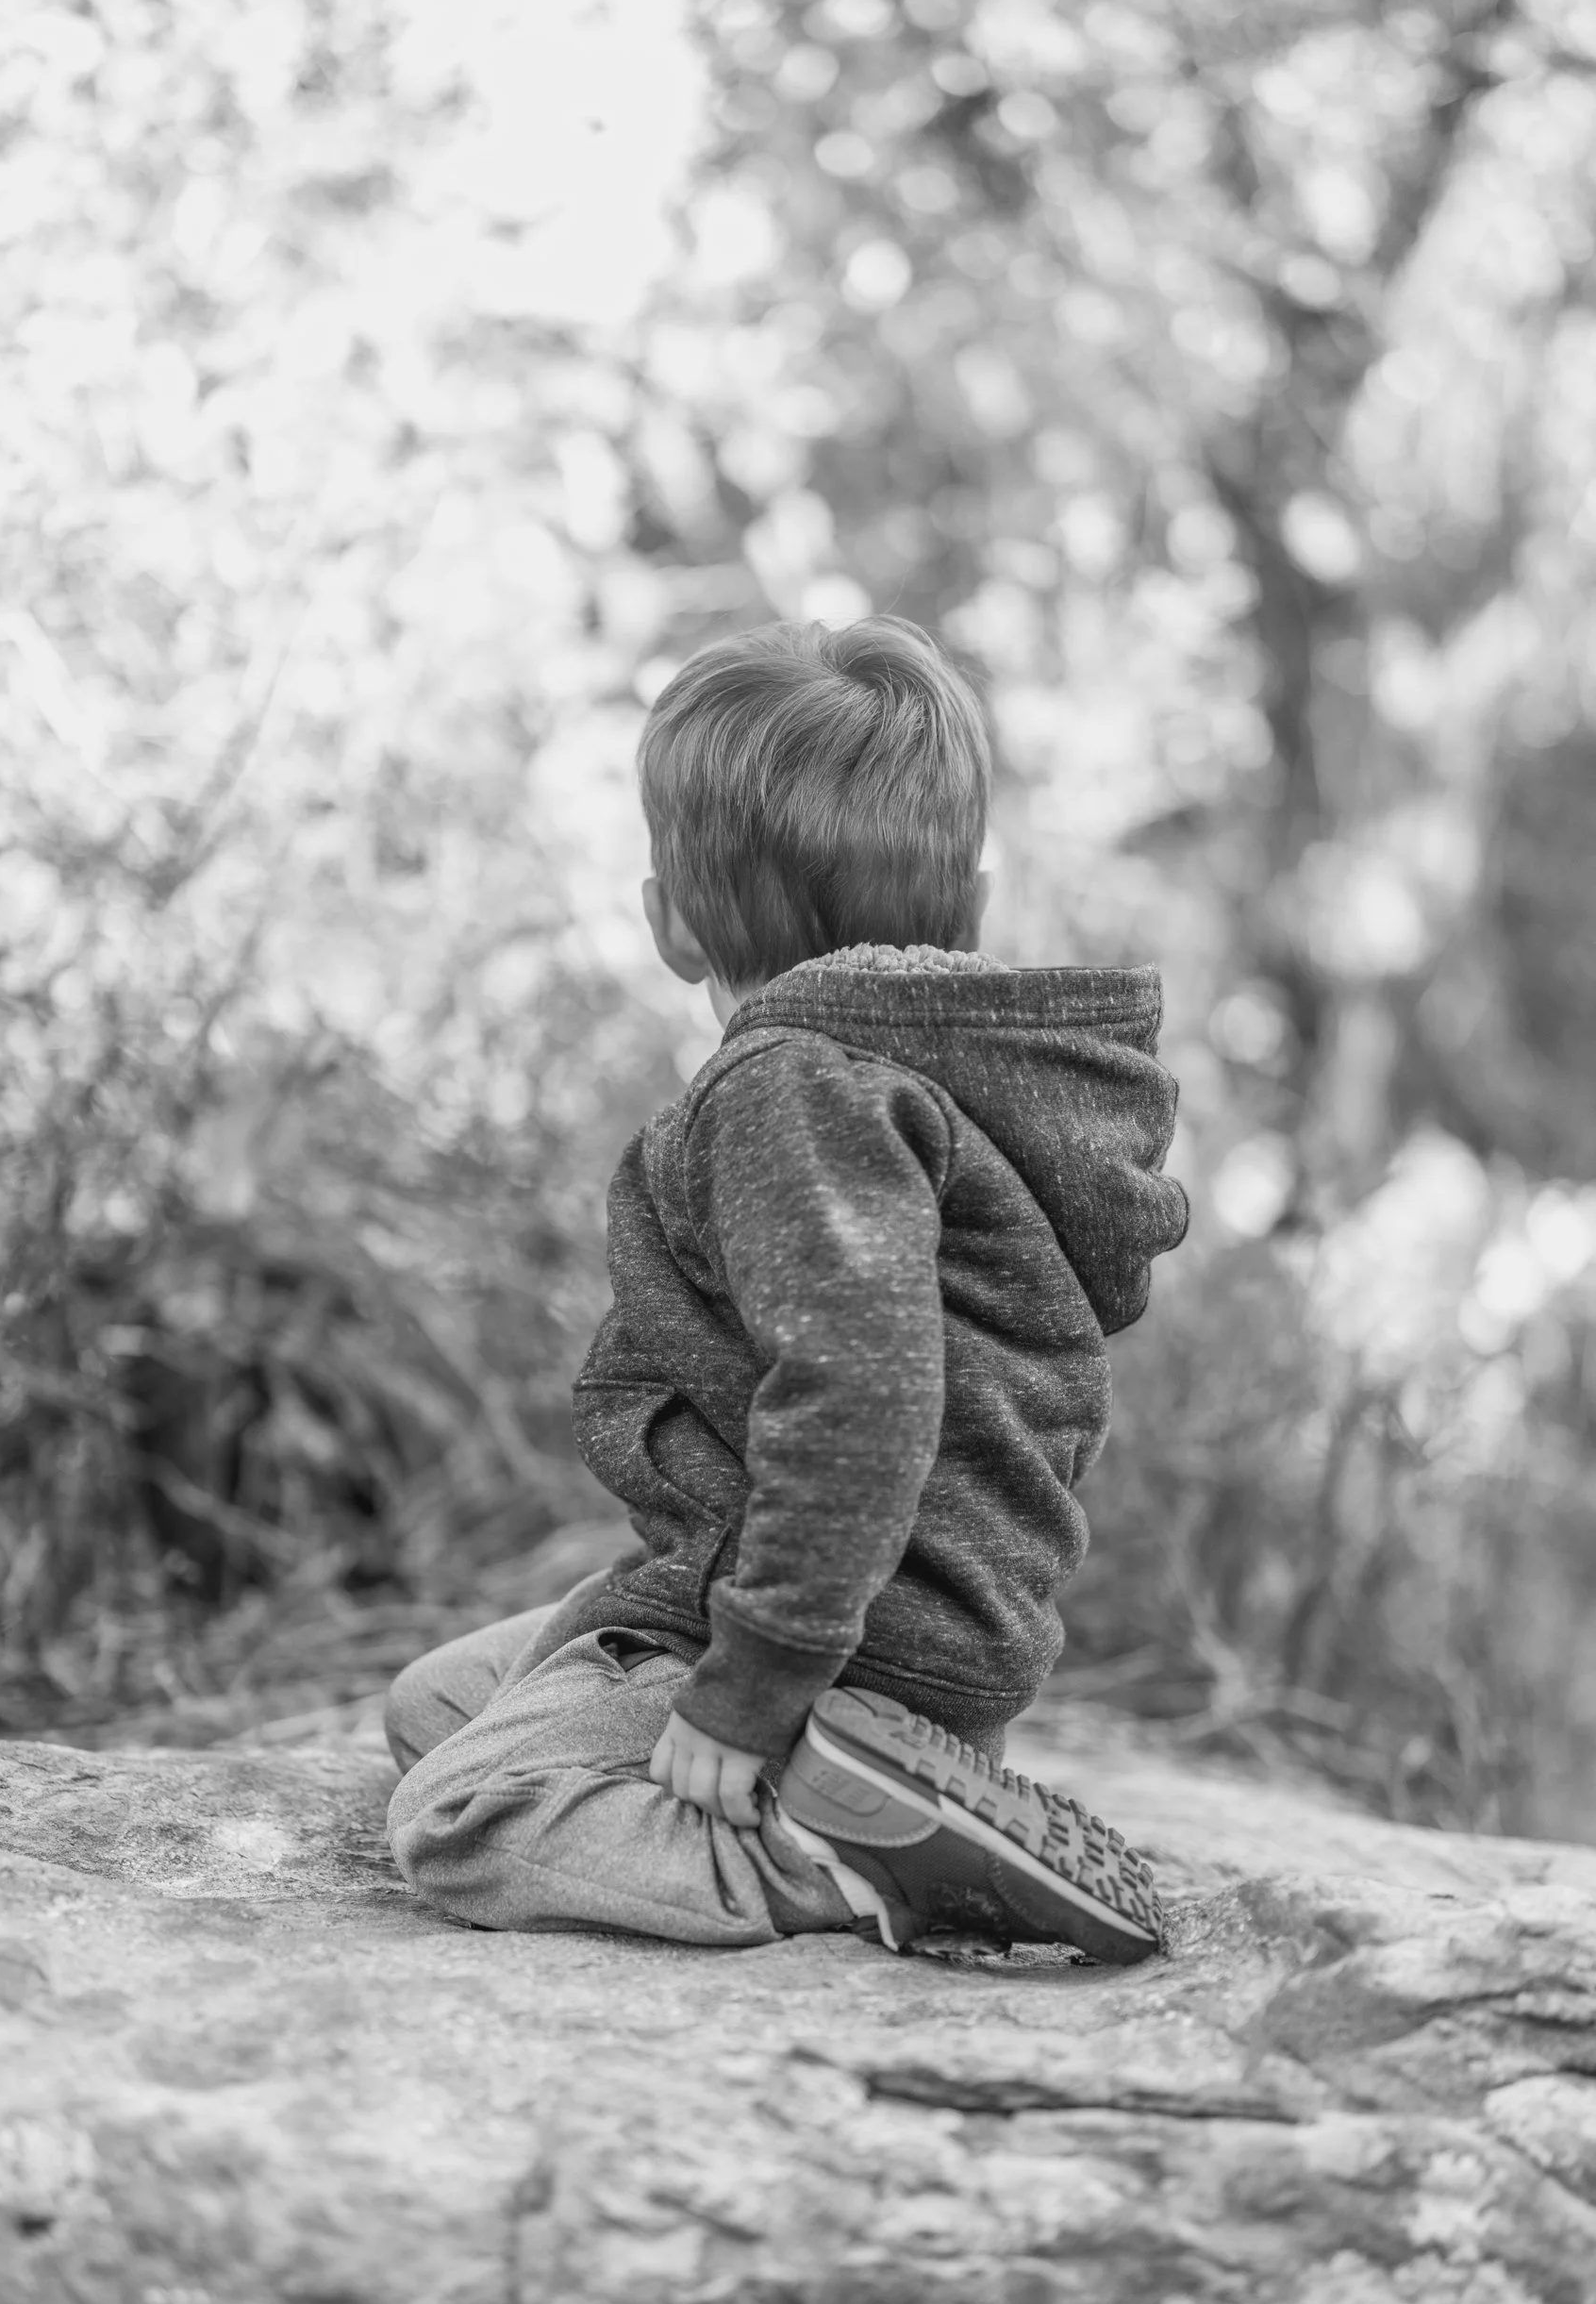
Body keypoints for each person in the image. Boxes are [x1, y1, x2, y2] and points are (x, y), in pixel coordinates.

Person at [384, 617, 1189, 1963]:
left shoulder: (790, 1092)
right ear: (974, 902)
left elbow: (861, 1396)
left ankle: (831, 1853)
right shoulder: (943, 1087)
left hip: (842, 1644)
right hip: (891, 1619)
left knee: (458, 1811)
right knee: (434, 1703)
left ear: (670, 922)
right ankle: (873, 1792)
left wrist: (749, 1686)